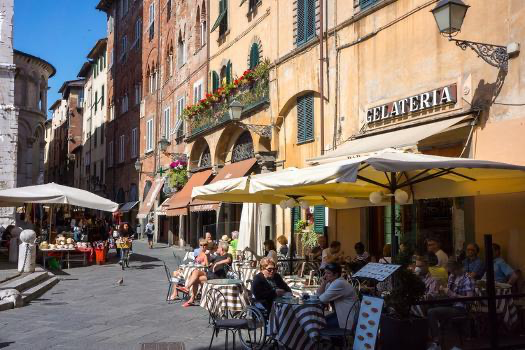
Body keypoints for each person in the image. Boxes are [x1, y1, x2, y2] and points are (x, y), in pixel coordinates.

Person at [427, 261, 474, 346]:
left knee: (431, 312)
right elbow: (448, 292)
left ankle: (436, 338)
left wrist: (454, 295)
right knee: (428, 304)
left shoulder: (467, 278)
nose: (451, 273)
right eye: (450, 271)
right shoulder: (452, 276)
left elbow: (470, 299)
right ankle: (432, 333)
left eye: (452, 271)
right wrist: (440, 291)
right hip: (450, 303)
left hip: (460, 308)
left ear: (458, 269)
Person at [181, 241, 233, 307]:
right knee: (196, 271)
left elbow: (228, 260)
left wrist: (217, 263)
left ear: (222, 249)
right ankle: (187, 288)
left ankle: (192, 299)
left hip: (217, 276)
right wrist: (207, 255)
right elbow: (208, 263)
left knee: (196, 279)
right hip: (210, 273)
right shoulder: (217, 256)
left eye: (218, 247)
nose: (217, 248)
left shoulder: (228, 255)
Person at [317, 263, 359, 329]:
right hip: (340, 315)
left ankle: (335, 339)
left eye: (328, 273)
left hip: (347, 318)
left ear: (336, 275)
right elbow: (319, 295)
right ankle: (335, 339)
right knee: (319, 322)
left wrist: (323, 284)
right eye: (325, 273)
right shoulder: (331, 283)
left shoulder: (339, 283)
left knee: (319, 325)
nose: (325, 276)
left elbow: (322, 299)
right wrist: (323, 283)